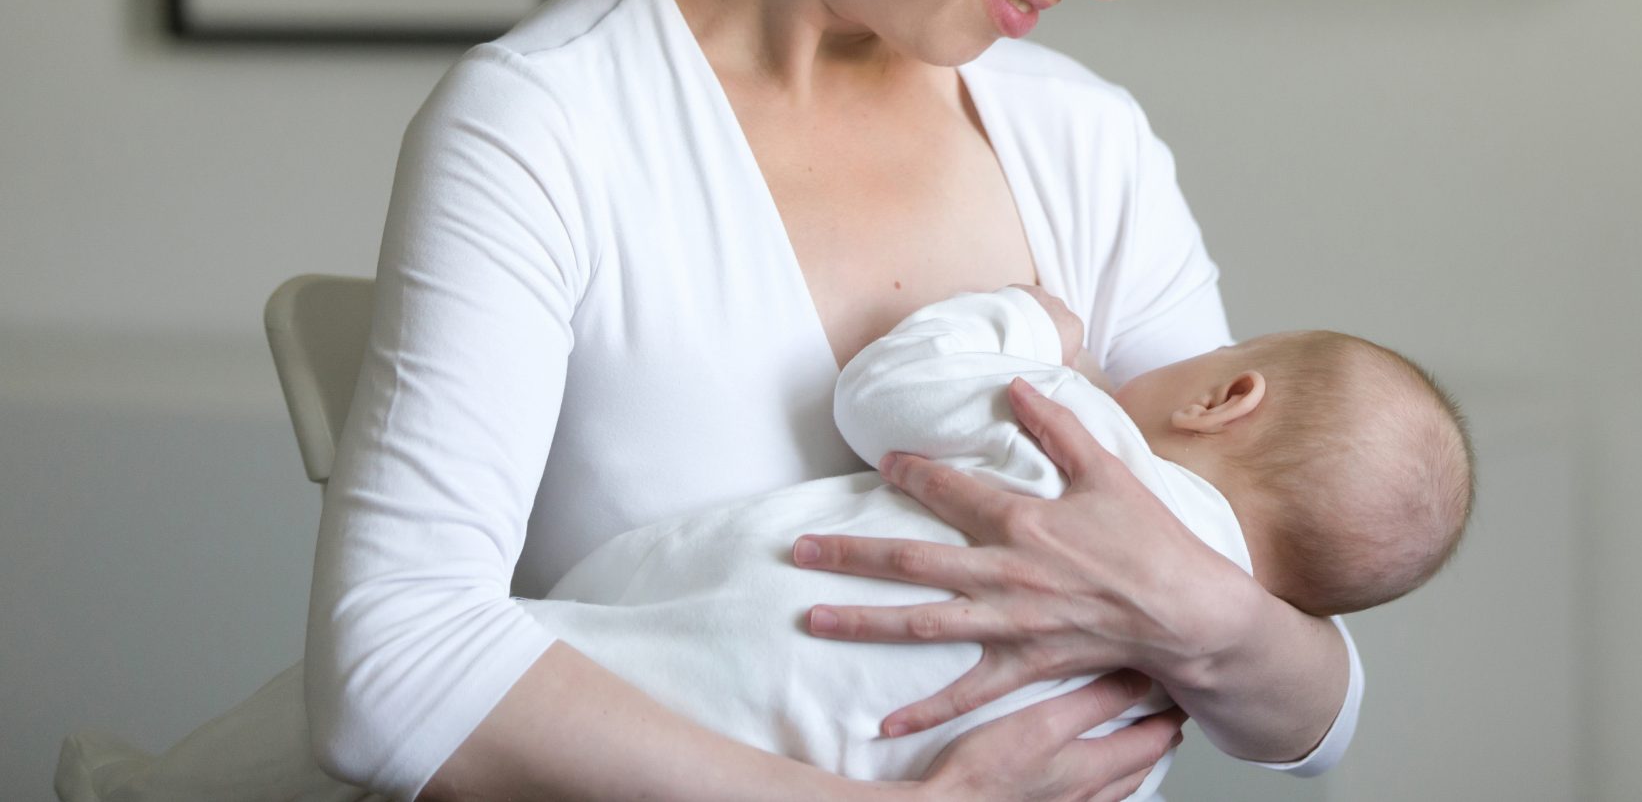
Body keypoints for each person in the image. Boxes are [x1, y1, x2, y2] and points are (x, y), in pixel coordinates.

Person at [304, 0, 1365, 802]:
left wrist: (1198, 616)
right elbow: (394, 660)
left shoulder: (1083, 144)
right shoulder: (547, 129)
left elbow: (1308, 709)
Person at [53, 285, 1470, 802]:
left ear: (1232, 394)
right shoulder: (1175, 689)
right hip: (873, 759)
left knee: (348, 722)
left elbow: (888, 391)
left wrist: (1029, 325)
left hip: (688, 679)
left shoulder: (1086, 442)